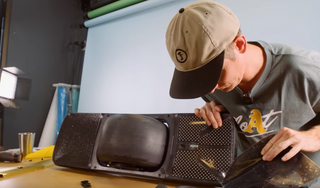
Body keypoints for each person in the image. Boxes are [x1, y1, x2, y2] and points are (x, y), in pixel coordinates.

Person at [165, 0, 320, 186]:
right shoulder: (214, 88)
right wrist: (216, 119)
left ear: (239, 45)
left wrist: (314, 136)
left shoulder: (304, 69)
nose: (210, 89)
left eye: (213, 75)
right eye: (199, 79)